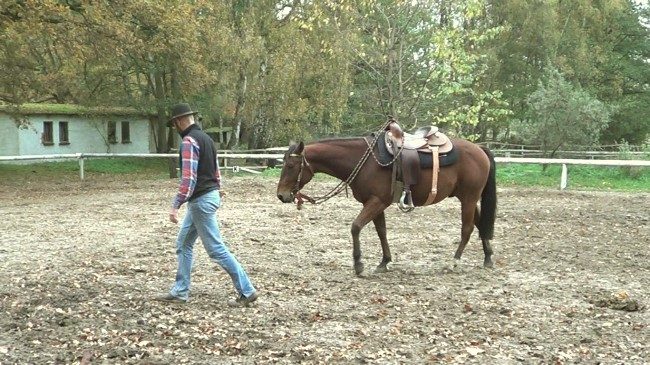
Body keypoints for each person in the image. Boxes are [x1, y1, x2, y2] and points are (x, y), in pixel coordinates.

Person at [156, 102, 258, 307]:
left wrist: (175, 204)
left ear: (177, 122)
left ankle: (247, 290)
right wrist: (217, 189)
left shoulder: (188, 141)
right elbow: (216, 171)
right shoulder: (207, 140)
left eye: (174, 124)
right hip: (206, 198)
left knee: (215, 249)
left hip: (200, 201)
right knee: (184, 244)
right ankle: (180, 291)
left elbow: (188, 179)